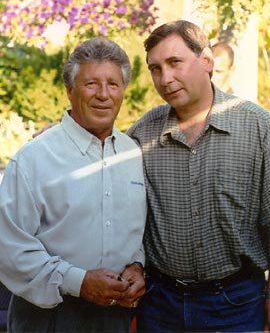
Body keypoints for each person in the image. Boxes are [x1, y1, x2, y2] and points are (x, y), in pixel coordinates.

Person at [127, 20, 270, 333]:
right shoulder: (142, 132)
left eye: (174, 62)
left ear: (207, 61)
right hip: (159, 302)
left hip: (237, 304)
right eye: (155, 68)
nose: (165, 78)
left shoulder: (259, 128)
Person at [0, 37, 147, 333]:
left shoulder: (133, 152)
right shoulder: (34, 158)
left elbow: (135, 231)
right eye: (91, 83)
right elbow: (8, 247)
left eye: (113, 84)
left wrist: (137, 266)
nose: (103, 95)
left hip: (115, 317)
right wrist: (77, 282)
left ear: (123, 91)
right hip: (49, 317)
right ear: (69, 90)